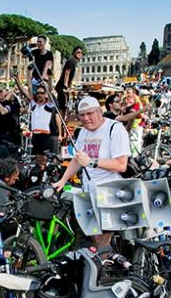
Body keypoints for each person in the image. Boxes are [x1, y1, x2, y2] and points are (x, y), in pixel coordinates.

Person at [52, 96, 131, 249]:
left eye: (90, 114)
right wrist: (63, 180)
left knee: (102, 239)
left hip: (110, 191)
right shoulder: (83, 133)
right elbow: (78, 159)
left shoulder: (115, 129)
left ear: (99, 112)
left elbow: (121, 165)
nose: (86, 118)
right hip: (89, 191)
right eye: (82, 115)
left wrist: (92, 162)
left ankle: (103, 270)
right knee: (93, 236)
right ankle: (102, 266)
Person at [0, 87, 21, 153]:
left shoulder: (8, 104)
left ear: (5, 93)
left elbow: (3, 112)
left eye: (0, 92)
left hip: (5, 135)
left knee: (4, 154)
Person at [55, 46, 84, 113]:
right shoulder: (72, 61)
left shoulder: (74, 61)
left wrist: (70, 86)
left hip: (62, 87)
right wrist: (65, 86)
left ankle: (63, 121)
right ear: (74, 53)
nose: (80, 54)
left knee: (64, 107)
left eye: (81, 53)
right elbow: (67, 73)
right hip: (62, 87)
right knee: (62, 107)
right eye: (78, 52)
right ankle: (61, 122)